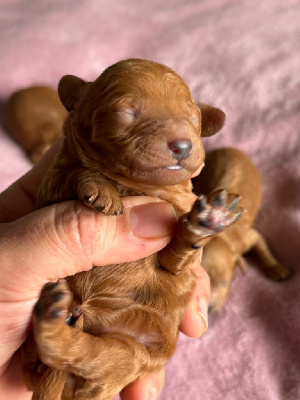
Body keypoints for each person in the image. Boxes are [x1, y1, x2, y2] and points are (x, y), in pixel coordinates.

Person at [0, 141, 210, 400]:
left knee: (126, 359)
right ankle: (60, 341)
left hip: (63, 326)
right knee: (131, 359)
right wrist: (195, 233)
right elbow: (174, 260)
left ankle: (60, 342)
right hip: (136, 332)